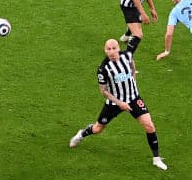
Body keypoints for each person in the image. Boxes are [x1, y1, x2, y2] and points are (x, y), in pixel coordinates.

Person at [70, 38, 168, 170]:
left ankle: (156, 159)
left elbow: (132, 62)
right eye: (108, 49)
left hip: (133, 98)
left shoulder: (127, 55)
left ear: (118, 48)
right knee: (98, 128)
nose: (111, 52)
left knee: (149, 126)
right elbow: (103, 91)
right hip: (114, 103)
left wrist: (133, 73)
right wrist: (119, 103)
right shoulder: (103, 69)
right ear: (105, 50)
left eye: (114, 48)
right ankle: (82, 134)